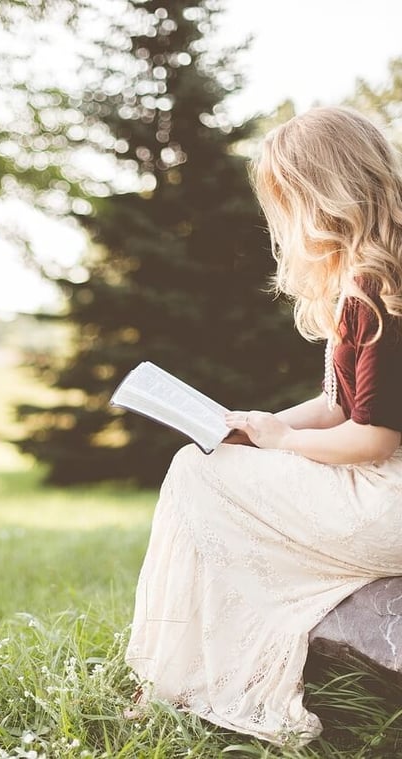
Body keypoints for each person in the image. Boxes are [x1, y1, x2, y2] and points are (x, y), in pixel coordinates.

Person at [124, 105, 402, 747]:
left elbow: (374, 438)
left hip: (387, 499)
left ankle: (182, 677)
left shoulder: (374, 289)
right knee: (209, 465)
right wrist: (261, 424)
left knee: (196, 473)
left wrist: (282, 443)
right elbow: (339, 406)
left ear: (321, 195)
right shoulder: (366, 281)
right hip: (380, 485)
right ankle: (186, 672)